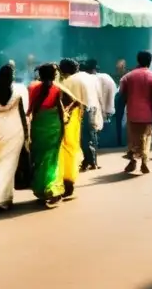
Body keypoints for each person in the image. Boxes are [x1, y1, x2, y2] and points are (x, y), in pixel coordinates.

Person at [0, 64, 29, 210]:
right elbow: (24, 113)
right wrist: (27, 134)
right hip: (15, 130)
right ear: (12, 77)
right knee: (9, 165)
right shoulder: (20, 89)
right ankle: (4, 198)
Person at [28, 63, 66, 207]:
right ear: (53, 75)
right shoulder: (57, 89)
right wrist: (63, 128)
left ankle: (40, 189)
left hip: (38, 125)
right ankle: (51, 188)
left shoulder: (32, 88)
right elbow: (61, 110)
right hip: (54, 125)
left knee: (39, 157)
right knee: (52, 158)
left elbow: (30, 109)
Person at [118, 51, 152, 174]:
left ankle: (132, 161)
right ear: (150, 61)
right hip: (147, 114)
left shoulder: (128, 76)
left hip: (132, 113)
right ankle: (144, 162)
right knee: (146, 137)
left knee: (132, 138)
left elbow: (121, 92)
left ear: (138, 60)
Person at [57, 59, 85, 200]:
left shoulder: (61, 83)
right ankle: (69, 182)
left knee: (62, 149)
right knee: (72, 148)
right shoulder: (79, 81)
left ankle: (63, 182)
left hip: (63, 118)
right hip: (74, 119)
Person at [77, 60, 105, 171]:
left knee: (83, 138)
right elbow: (99, 96)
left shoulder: (78, 78)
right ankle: (93, 162)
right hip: (92, 109)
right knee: (91, 137)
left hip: (82, 109)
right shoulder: (94, 79)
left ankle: (87, 162)